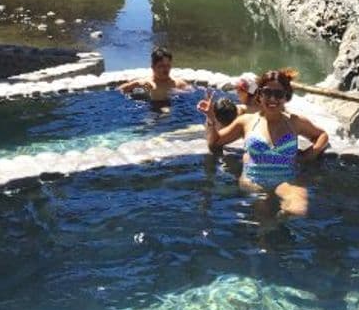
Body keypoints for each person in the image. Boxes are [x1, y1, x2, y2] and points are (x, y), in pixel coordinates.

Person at [203, 68, 329, 216]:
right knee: (265, 215)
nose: (272, 99)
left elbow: (322, 135)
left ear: (286, 96)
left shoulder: (295, 122)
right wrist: (210, 118)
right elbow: (215, 143)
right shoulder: (246, 121)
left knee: (298, 210)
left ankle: (279, 219)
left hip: (285, 179)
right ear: (260, 94)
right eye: (267, 93)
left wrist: (310, 155)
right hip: (254, 182)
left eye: (278, 94)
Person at [117, 47, 190, 102]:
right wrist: (134, 84)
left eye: (168, 65)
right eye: (161, 66)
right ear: (153, 67)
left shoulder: (178, 83)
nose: (165, 69)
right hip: (150, 108)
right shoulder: (146, 82)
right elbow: (118, 91)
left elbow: (192, 94)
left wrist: (179, 92)